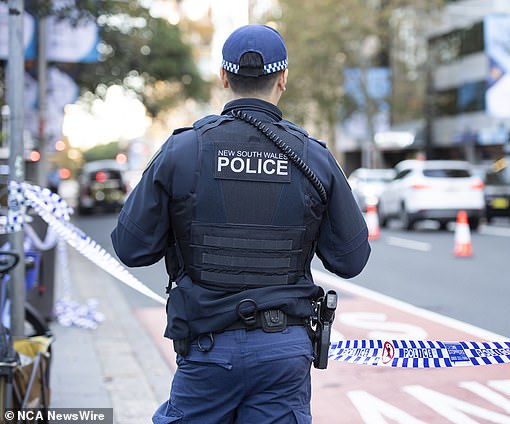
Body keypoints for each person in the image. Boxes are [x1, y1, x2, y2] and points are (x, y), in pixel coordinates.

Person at [111, 24, 371, 423]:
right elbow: (350, 259)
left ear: (224, 77)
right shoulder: (313, 157)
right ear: (283, 78)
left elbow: (131, 248)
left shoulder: (184, 149)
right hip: (283, 352)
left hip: (208, 348)